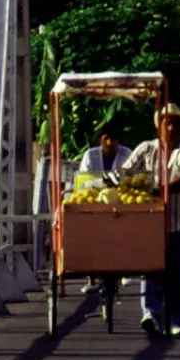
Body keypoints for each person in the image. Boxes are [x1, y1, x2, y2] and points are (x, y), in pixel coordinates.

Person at [121, 103, 180, 337]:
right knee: (150, 269)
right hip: (152, 223)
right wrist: (136, 186)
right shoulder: (146, 149)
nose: (172, 128)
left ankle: (178, 319)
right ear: (160, 127)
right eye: (168, 123)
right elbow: (125, 173)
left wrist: (157, 190)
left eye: (176, 123)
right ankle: (150, 312)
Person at [78, 121, 132, 294]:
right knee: (89, 233)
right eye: (106, 139)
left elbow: (130, 177)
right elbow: (85, 182)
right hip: (95, 201)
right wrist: (106, 183)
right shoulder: (90, 155)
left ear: (119, 140)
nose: (110, 143)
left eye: (113, 139)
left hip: (120, 202)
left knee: (129, 227)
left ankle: (126, 269)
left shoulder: (127, 154)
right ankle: (91, 278)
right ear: (101, 139)